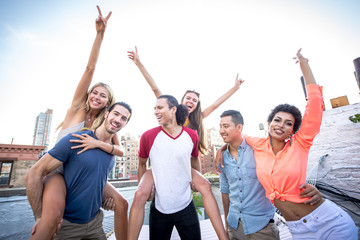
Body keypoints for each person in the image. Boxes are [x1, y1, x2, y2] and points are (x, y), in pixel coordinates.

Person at [217, 49, 358, 239]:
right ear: (269, 123)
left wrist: (304, 65)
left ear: (293, 130)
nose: (281, 125)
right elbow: (235, 137)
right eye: (277, 120)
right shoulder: (257, 144)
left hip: (328, 223)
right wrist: (222, 147)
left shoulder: (300, 144)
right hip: (298, 230)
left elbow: (314, 103)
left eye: (288, 123)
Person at [28, 6, 128, 240]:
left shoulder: (107, 124)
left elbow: (119, 150)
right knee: (52, 217)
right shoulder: (76, 110)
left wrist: (101, 145)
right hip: (59, 169)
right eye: (94, 92)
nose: (96, 96)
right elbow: (89, 69)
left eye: (103, 95)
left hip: (84, 172)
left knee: (122, 203)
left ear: (108, 103)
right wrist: (100, 34)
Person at [127, 46, 242, 239]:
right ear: (177, 104)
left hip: (183, 166)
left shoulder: (194, 126)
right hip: (163, 165)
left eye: (195, 100)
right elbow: (155, 89)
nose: (191, 101)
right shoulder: (164, 118)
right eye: (188, 98)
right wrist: (139, 63)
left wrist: (235, 88)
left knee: (204, 186)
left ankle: (223, 235)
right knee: (141, 193)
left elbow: (215, 105)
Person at [25, 102, 132, 240]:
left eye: (124, 118)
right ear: (106, 114)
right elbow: (34, 173)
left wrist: (104, 199)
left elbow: (96, 179)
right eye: (116, 114)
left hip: (95, 224)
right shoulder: (76, 139)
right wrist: (39, 215)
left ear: (126, 124)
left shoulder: (112, 151)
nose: (118, 120)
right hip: (66, 226)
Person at [217, 110, 323, 240]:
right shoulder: (221, 159)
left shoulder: (260, 150)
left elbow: (283, 173)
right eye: (220, 126)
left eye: (226, 126)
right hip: (234, 227)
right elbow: (225, 193)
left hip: (262, 227)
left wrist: (312, 189)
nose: (221, 130)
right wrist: (226, 227)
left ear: (239, 127)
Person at [134, 95, 201, 240]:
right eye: (155, 108)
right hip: (159, 208)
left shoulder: (192, 135)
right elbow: (141, 164)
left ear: (173, 109)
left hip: (186, 206)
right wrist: (145, 190)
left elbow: (195, 158)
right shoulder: (148, 136)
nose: (156, 111)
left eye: (160, 107)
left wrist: (196, 181)